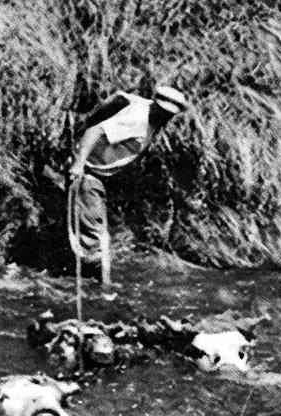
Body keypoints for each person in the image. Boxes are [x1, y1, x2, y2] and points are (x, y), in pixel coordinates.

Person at [67, 86, 190, 285]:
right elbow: (97, 129)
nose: (165, 116)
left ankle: (96, 277)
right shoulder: (138, 118)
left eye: (169, 114)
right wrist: (79, 163)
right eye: (163, 111)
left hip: (101, 173)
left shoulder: (151, 115)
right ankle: (99, 286)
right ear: (156, 104)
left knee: (102, 231)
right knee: (97, 236)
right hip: (88, 173)